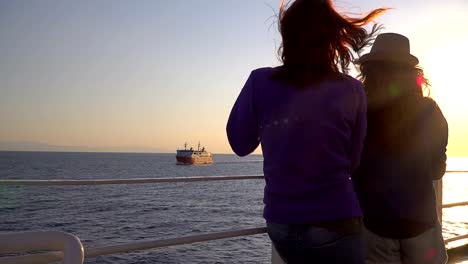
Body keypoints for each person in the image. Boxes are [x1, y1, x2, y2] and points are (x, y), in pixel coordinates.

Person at [226, 0, 386, 262]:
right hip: (336, 220)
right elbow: (352, 162)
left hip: (282, 224)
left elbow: (240, 145)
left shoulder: (259, 81)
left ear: (287, 36)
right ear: (332, 38)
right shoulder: (352, 90)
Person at [353, 33, 449, 264]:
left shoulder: (358, 111)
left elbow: (349, 163)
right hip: (421, 223)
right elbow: (437, 170)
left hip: (374, 224)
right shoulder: (429, 109)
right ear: (411, 73)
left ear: (369, 70)